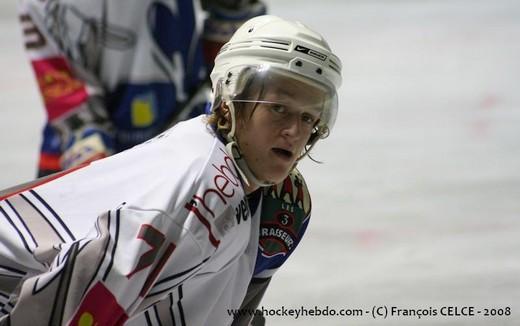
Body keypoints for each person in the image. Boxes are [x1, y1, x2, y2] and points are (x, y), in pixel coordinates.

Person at [1, 14, 342, 325]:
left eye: (309, 117)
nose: (295, 132)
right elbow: (66, 307)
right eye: (279, 108)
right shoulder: (196, 190)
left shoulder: (279, 205)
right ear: (228, 104)